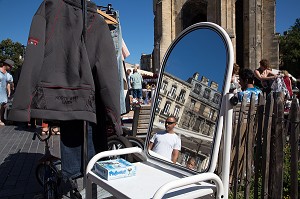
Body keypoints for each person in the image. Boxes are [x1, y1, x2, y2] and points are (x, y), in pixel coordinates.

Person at [0, 59, 14, 125]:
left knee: (4, 106)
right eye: (10, 66)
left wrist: (9, 92)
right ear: (6, 65)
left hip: (3, 91)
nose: (10, 68)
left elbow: (8, 83)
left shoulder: (7, 73)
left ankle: (2, 118)